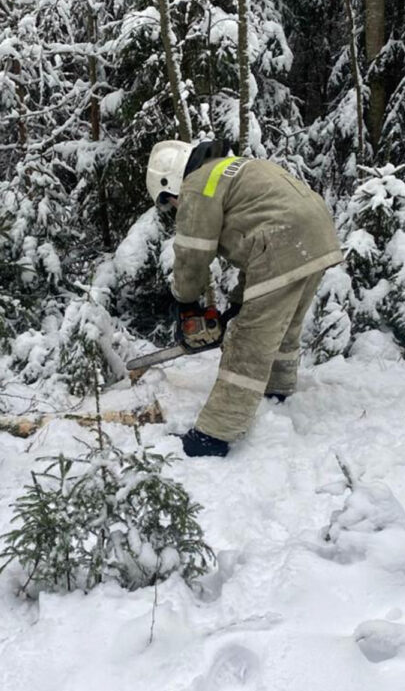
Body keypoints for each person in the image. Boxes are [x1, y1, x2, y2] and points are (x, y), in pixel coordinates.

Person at [145, 139, 343, 457]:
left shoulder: (197, 185)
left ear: (171, 183)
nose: (176, 208)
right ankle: (276, 391)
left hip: (282, 240)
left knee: (248, 341)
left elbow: (193, 251)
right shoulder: (231, 168)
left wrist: (186, 304)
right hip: (317, 236)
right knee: (284, 324)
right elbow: (256, 245)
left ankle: (214, 435)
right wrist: (236, 305)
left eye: (170, 202)